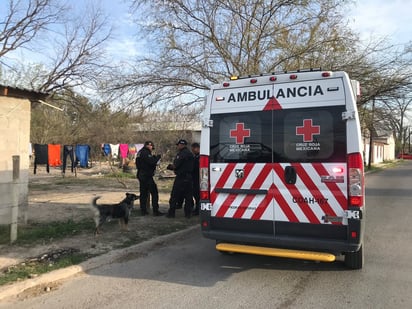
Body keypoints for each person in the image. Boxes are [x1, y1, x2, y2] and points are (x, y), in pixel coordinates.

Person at [166, 139, 194, 218]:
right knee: (188, 197)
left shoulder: (181, 154)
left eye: (178, 145)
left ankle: (171, 213)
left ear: (182, 145)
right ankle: (188, 214)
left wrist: (170, 167)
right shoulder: (190, 154)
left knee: (174, 196)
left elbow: (176, 165)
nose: (178, 146)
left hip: (181, 177)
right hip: (189, 178)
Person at [136, 141, 164, 216]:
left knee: (143, 193)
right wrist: (157, 157)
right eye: (152, 147)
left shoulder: (140, 152)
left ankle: (143, 210)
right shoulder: (145, 152)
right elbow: (151, 162)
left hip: (141, 174)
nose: (152, 149)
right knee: (154, 192)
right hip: (146, 175)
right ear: (149, 146)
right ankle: (155, 210)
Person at [191, 142, 200, 215]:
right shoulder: (195, 157)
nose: (193, 150)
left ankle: (198, 209)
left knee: (198, 195)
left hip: (198, 178)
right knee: (195, 194)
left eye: (194, 149)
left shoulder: (200, 157)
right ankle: (197, 209)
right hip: (194, 178)